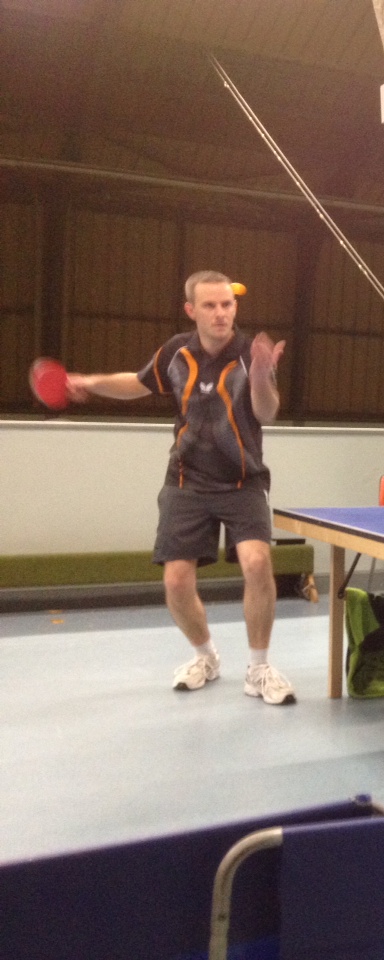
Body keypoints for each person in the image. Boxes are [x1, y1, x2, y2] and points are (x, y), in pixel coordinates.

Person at [64, 270, 296, 705]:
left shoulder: (250, 353)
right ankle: (206, 657)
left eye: (227, 304)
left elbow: (266, 413)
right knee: (175, 581)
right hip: (186, 480)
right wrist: (90, 383)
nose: (221, 313)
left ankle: (259, 669)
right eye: (210, 305)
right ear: (191, 310)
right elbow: (138, 383)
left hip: (242, 479)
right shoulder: (176, 352)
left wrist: (263, 375)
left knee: (257, 562)